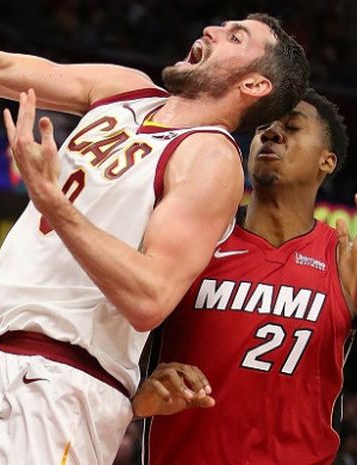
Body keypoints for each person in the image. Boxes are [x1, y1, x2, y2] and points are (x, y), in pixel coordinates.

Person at [0, 13, 309, 465]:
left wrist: (55, 204)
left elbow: (151, 297)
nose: (212, 31)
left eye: (235, 37)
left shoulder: (210, 157)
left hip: (67, 389)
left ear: (254, 86)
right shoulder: (124, 88)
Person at [145, 89, 353, 465]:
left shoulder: (343, 260)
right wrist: (139, 394)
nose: (271, 133)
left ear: (327, 161)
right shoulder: (198, 239)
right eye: (263, 127)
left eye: (291, 127)